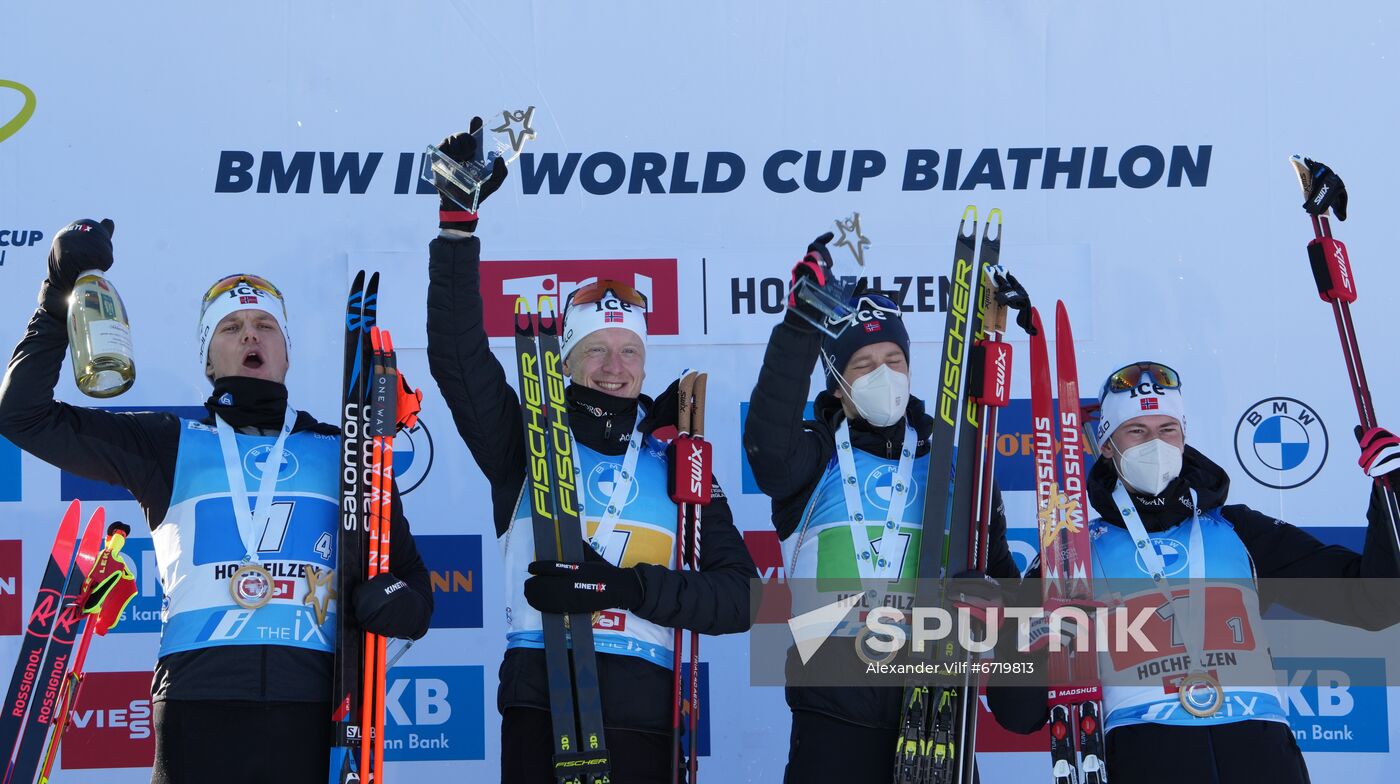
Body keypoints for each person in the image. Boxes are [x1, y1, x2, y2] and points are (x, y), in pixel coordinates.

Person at [0, 219, 434, 784]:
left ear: (286, 353)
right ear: (208, 359)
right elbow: (23, 415)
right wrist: (58, 297)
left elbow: (416, 591)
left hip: (315, 714)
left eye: (264, 326)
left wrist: (391, 600)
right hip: (195, 710)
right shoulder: (168, 444)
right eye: (231, 327)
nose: (250, 336)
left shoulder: (347, 451)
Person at [423, 121, 756, 784]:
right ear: (567, 362)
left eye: (629, 351)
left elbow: (744, 599)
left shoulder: (678, 462)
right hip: (541, 706)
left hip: (645, 715)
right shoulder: (527, 444)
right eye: (596, 350)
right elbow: (458, 358)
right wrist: (457, 230)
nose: (614, 366)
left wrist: (623, 586)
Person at [988, 361, 1400, 783]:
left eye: (1168, 430)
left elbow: (1374, 603)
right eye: (1137, 431)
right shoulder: (1072, 553)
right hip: (1146, 758)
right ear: (1108, 445)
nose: (1156, 444)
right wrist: (1041, 628)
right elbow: (1017, 714)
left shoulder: (1241, 532)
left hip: (1264, 762)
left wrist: (1394, 496)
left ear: (1184, 437)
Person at [741, 234, 1021, 783]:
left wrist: (996, 607)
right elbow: (766, 449)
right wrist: (801, 325)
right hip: (833, 721)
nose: (883, 375)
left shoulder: (953, 462)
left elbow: (1000, 577)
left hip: (939, 718)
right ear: (839, 384)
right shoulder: (812, 455)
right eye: (864, 365)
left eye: (893, 359)